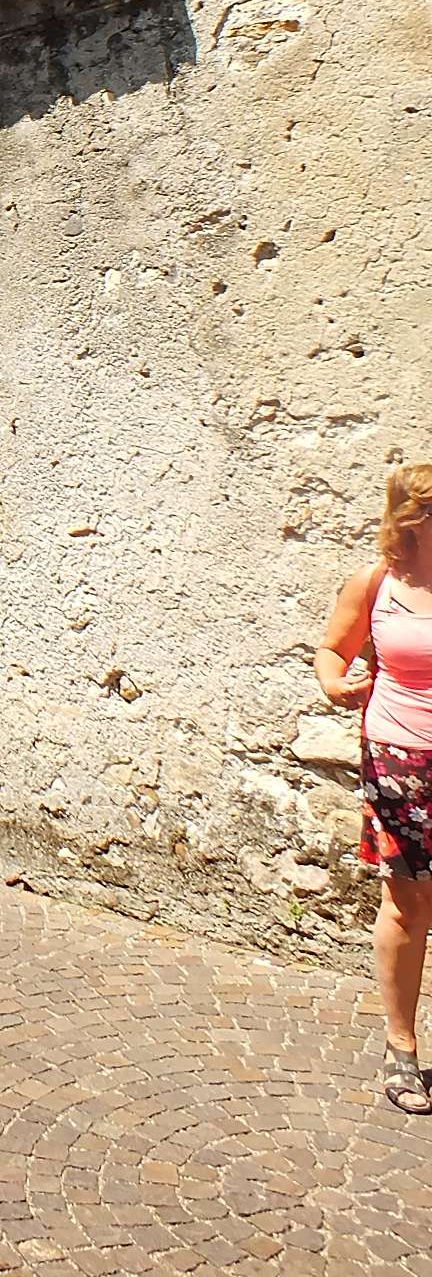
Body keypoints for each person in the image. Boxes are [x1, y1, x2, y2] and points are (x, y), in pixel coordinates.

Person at [316, 463, 432, 1114]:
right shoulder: (377, 583)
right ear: (413, 519)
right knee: (410, 907)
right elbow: (332, 651)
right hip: (401, 764)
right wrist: (334, 684)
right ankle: (402, 1048)